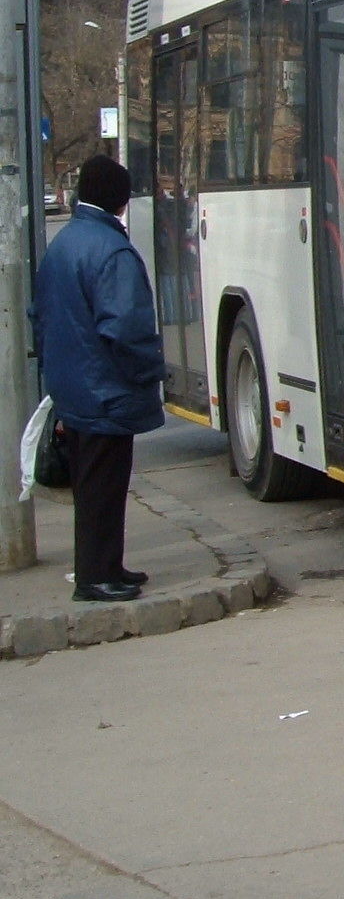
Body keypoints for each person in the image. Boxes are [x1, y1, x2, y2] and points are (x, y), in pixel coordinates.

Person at [30, 155, 167, 604]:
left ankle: (107, 566)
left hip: (75, 384)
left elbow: (41, 316)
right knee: (104, 486)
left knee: (93, 485)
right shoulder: (111, 250)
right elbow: (126, 327)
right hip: (106, 388)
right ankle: (95, 576)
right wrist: (149, 373)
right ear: (121, 200)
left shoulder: (66, 243)